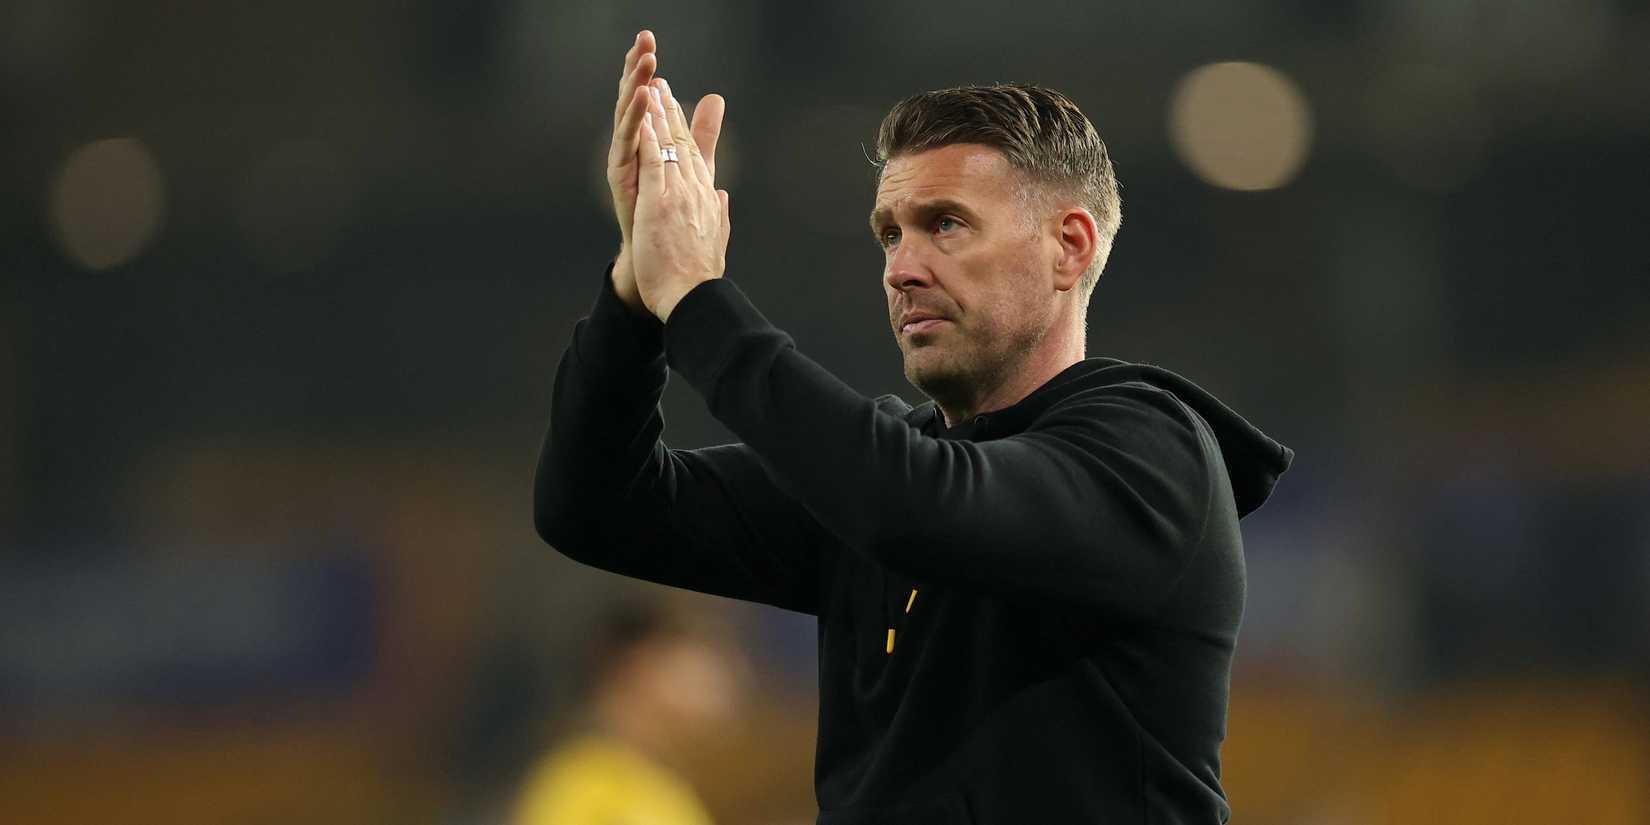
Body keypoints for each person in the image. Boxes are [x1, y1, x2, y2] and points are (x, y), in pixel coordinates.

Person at [534, 29, 1294, 823]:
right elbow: (592, 507)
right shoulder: (888, 474)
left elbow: (913, 506)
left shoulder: (1151, 451)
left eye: (947, 224)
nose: (901, 268)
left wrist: (696, 300)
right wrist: (634, 295)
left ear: (1069, 247)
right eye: (891, 233)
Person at [512, 602, 741, 825]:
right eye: (692, 667)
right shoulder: (584, 784)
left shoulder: (660, 786)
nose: (717, 680)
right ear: (638, 664)